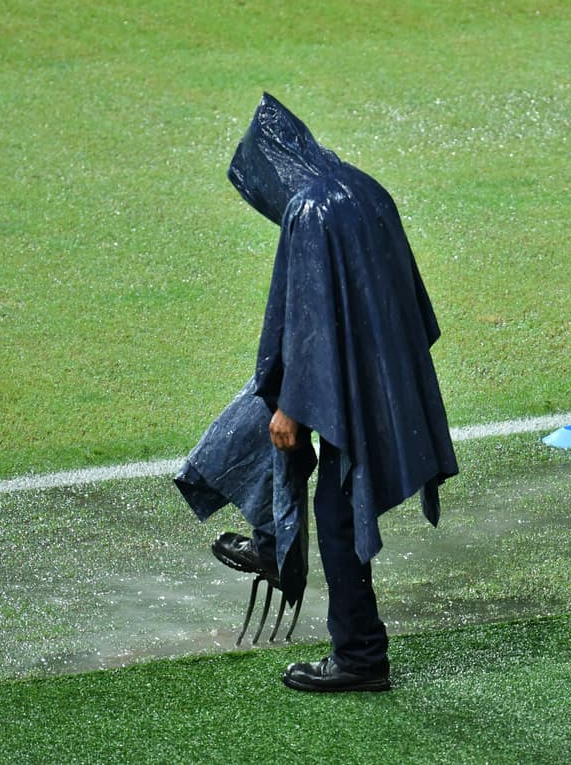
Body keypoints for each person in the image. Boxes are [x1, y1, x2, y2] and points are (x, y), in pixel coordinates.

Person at [175, 93, 458, 692]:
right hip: (386, 367)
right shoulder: (363, 186)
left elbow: (306, 322)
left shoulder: (309, 211)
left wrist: (292, 408)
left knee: (331, 505)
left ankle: (359, 657)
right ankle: (275, 544)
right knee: (282, 439)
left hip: (350, 375)